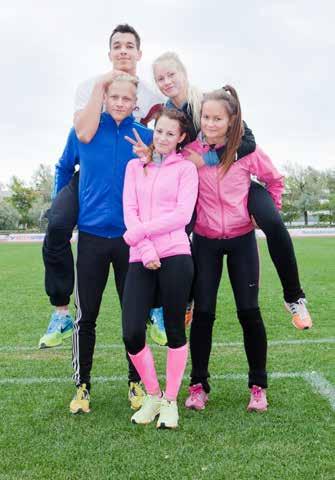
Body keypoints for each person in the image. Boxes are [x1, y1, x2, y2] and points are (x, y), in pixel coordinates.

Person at [151, 52, 312, 331]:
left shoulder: (207, 100)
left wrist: (209, 159)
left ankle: (294, 297)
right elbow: (168, 144)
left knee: (272, 221)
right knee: (176, 232)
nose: (166, 81)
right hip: (200, 189)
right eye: (160, 78)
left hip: (239, 183)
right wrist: (150, 154)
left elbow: (247, 141)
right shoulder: (169, 111)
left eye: (171, 74)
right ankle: (179, 302)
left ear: (184, 74)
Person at [39, 24, 163, 350]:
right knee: (57, 224)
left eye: (129, 46)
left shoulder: (152, 94)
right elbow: (84, 133)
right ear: (109, 53)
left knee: (164, 228)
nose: (123, 51)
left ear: (139, 53)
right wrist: (101, 89)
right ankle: (61, 312)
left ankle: (156, 308)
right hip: (91, 172)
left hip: (132, 173)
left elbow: (157, 133)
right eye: (117, 46)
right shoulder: (89, 86)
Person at [49, 74, 153, 414]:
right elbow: (64, 168)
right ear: (105, 97)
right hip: (92, 237)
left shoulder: (147, 137)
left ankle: (136, 384)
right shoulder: (84, 131)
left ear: (136, 103)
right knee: (86, 317)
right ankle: (82, 387)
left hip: (130, 239)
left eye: (128, 99)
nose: (121, 103)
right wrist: (62, 206)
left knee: (133, 315)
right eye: (116, 97)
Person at [183, 86, 285, 412]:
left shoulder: (245, 152)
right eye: (206, 117)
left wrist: (267, 213)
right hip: (205, 241)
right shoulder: (190, 152)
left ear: (230, 121)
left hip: (242, 240)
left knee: (249, 312)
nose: (210, 124)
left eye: (217, 118)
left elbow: (274, 180)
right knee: (203, 314)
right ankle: (198, 385)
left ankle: (258, 386)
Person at [122, 108, 198, 429]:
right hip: (141, 256)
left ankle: (170, 401)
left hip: (177, 254)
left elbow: (182, 216)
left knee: (175, 332)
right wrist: (145, 245)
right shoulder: (135, 166)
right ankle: (152, 395)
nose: (163, 138)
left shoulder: (186, 171)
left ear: (181, 138)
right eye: (159, 131)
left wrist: (139, 233)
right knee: (132, 333)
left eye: (170, 133)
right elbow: (130, 209)